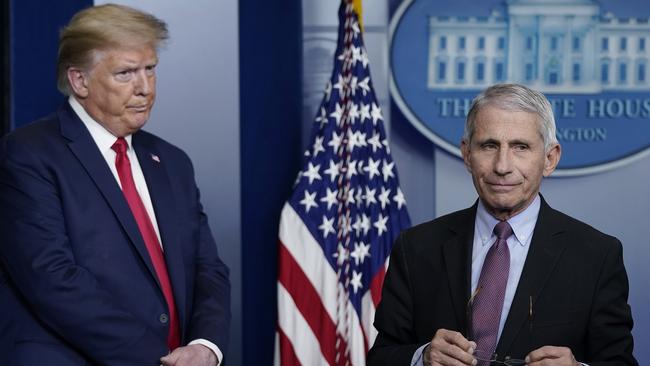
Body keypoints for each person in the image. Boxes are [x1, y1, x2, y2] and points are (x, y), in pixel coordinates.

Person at [0, 4, 230, 366]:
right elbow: (52, 279)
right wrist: (160, 359)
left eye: (150, 69)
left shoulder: (172, 162)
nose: (144, 88)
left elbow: (208, 269)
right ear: (80, 81)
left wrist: (204, 347)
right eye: (125, 73)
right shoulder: (29, 154)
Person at [367, 84, 637, 366]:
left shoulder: (597, 256)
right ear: (467, 154)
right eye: (489, 145)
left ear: (550, 158)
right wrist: (422, 358)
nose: (502, 166)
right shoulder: (416, 247)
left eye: (520, 147)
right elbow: (381, 357)